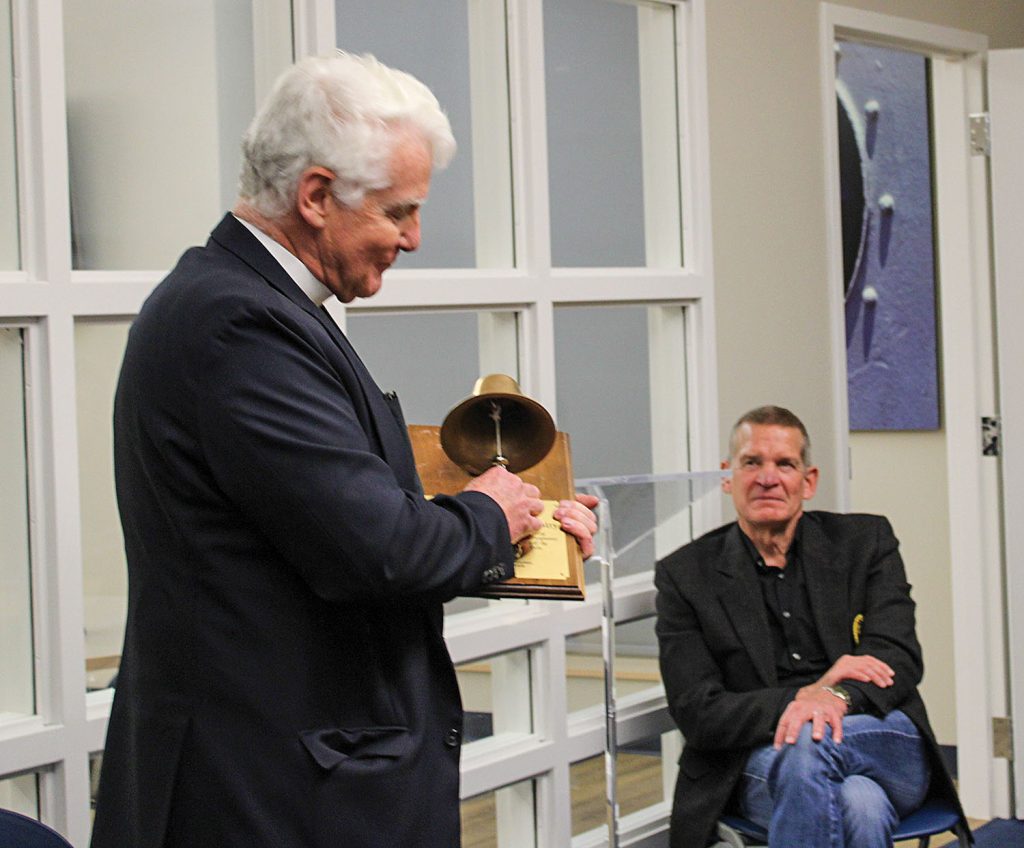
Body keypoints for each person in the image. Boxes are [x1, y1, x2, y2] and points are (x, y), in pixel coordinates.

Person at [90, 51, 597, 848]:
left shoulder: (261, 304)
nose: (416, 239)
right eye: (399, 212)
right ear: (317, 195)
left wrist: (527, 531)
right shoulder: (238, 325)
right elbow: (378, 550)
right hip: (265, 796)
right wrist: (490, 515)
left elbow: (327, 517)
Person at [654, 406, 966, 847]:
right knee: (859, 803)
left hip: (877, 735)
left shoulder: (865, 543)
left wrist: (834, 697)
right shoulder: (687, 575)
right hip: (758, 761)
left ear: (809, 480)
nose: (768, 477)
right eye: (752, 462)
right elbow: (698, 711)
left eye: (785, 464)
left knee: (809, 744)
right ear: (727, 476)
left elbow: (897, 655)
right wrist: (800, 699)